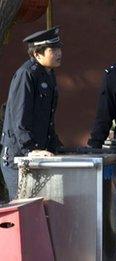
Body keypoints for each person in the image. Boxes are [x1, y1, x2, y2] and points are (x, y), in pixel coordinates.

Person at [1, 27, 63, 200]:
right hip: (18, 156)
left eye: (59, 48)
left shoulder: (48, 74)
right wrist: (30, 149)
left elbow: (47, 118)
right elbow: (19, 118)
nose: (59, 53)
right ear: (37, 54)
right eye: (53, 50)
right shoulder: (26, 74)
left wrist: (55, 146)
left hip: (37, 153)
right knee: (23, 208)